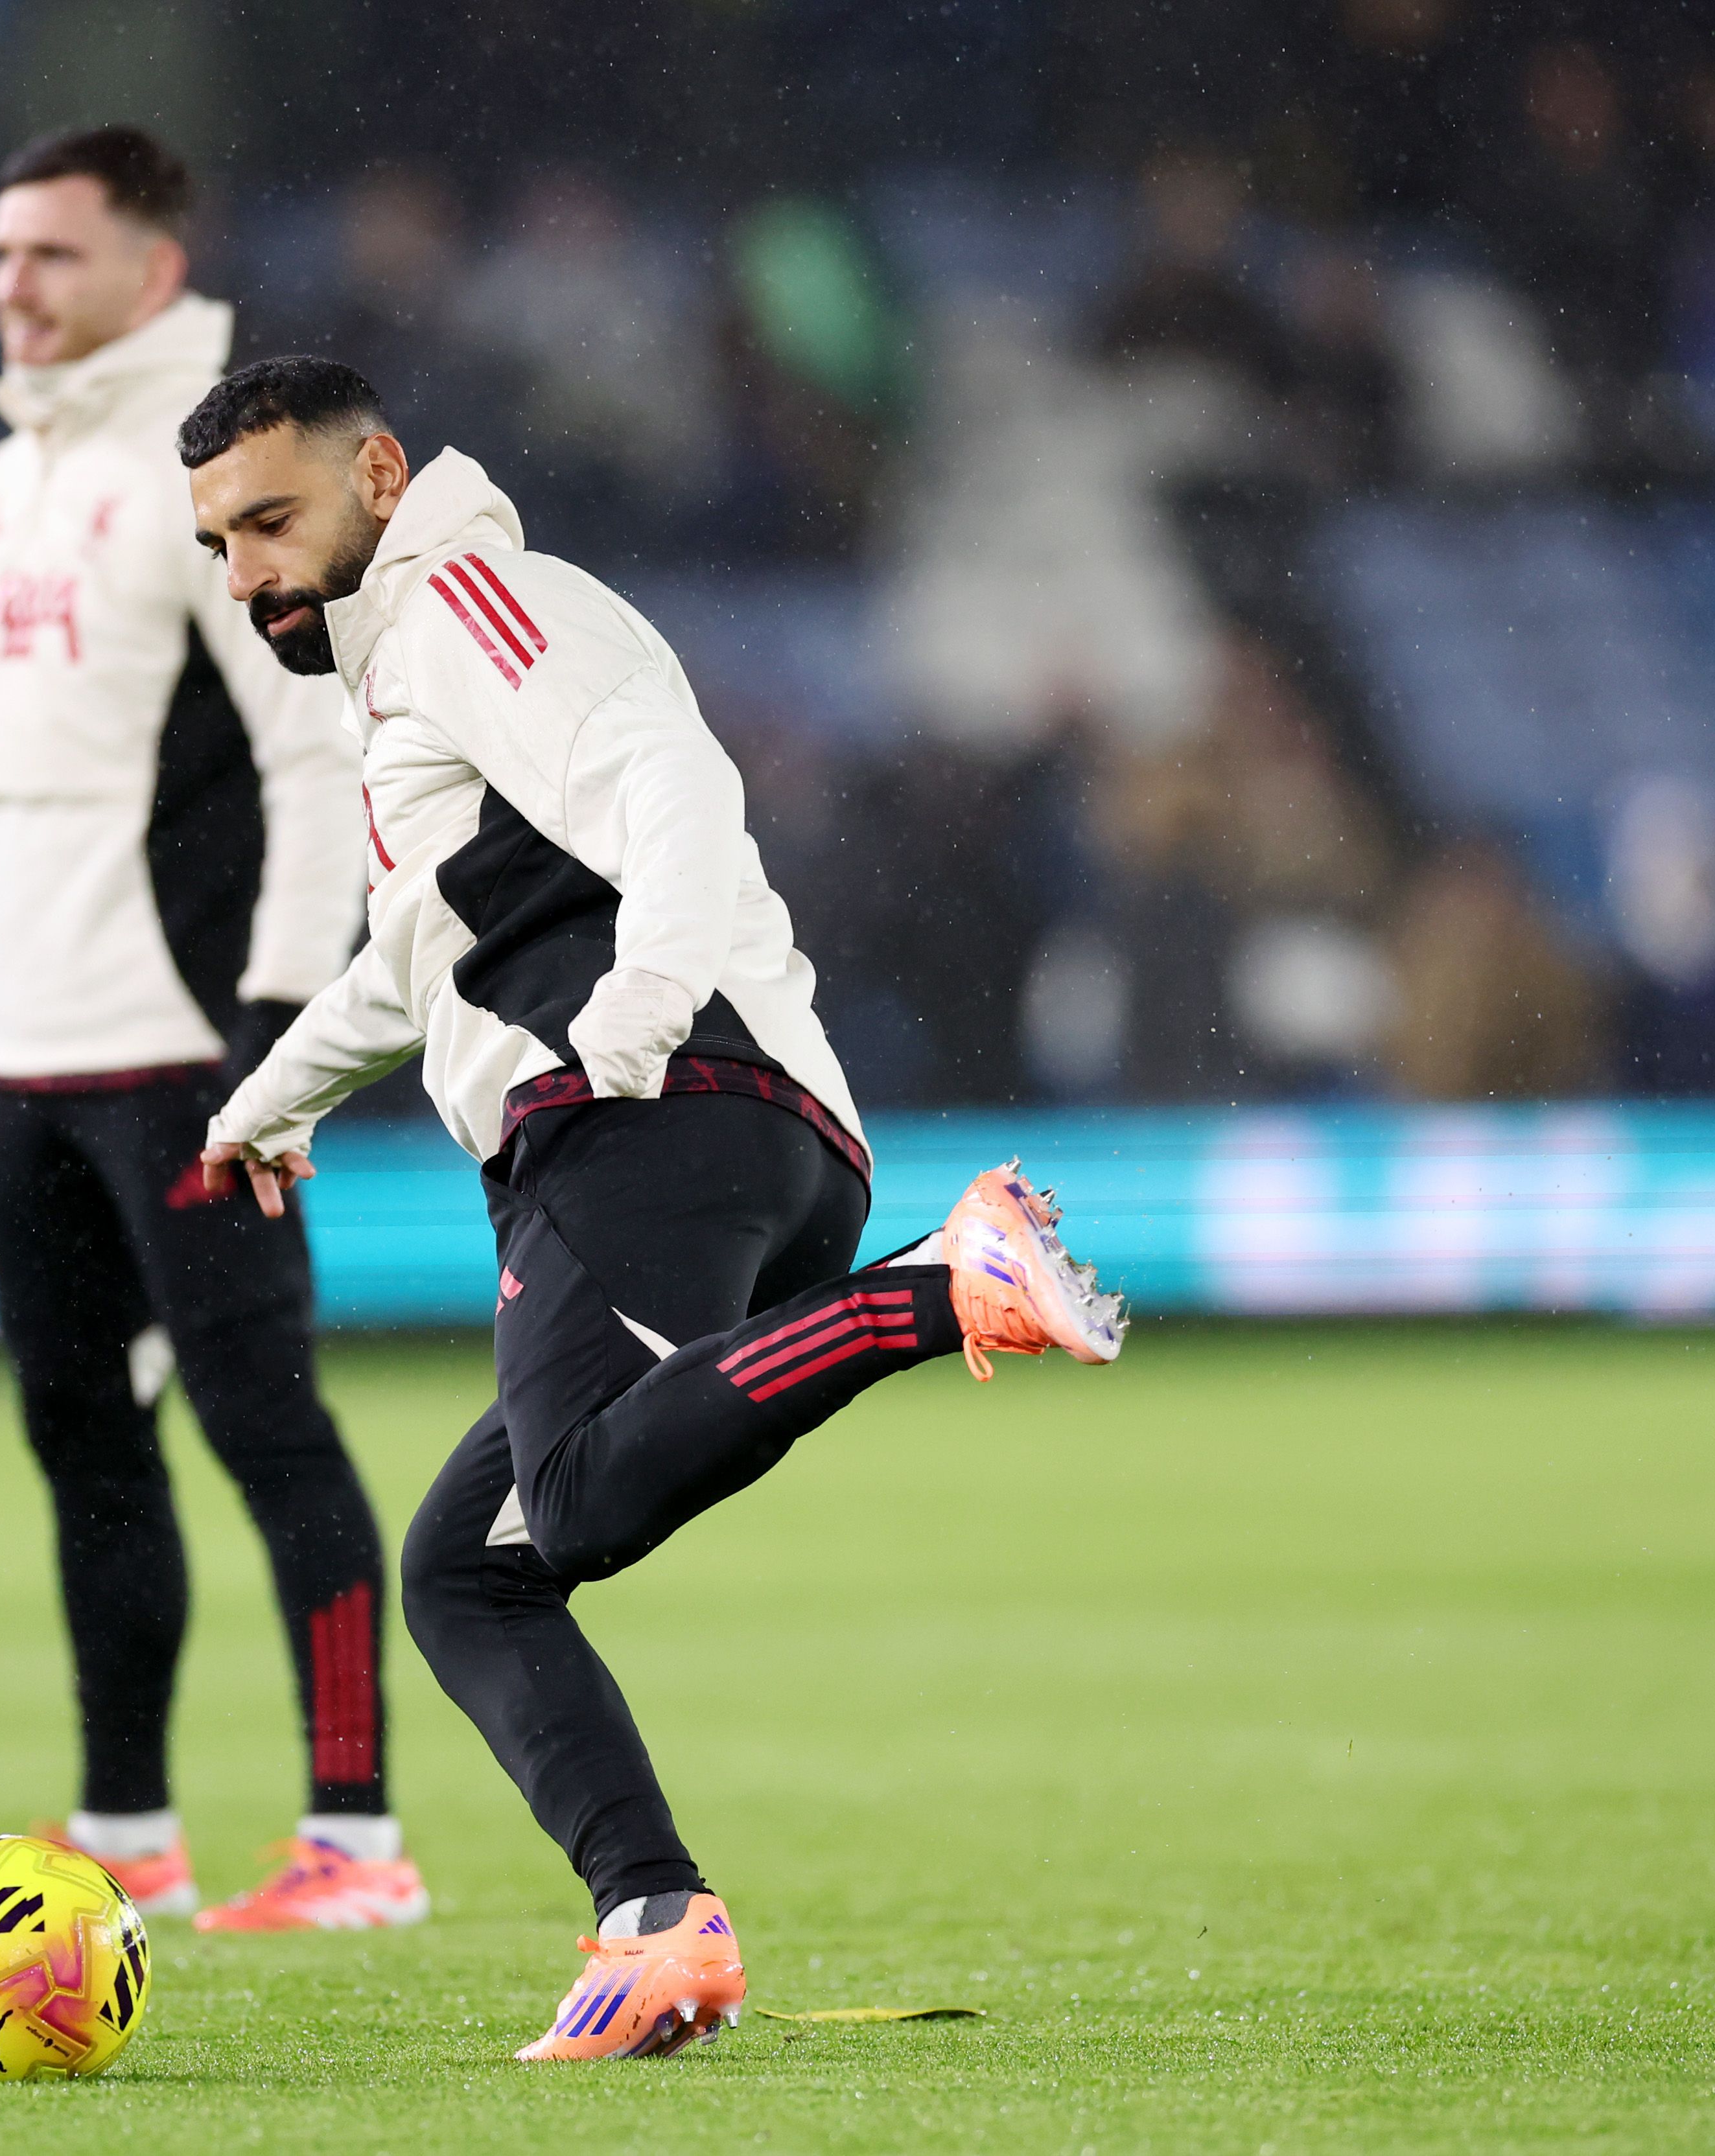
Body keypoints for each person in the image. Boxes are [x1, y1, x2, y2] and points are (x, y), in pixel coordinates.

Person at [179, 358, 1125, 2059]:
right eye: (220, 542)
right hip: (716, 1124)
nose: (247, 571)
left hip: (651, 1108)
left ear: (380, 477)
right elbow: (419, 972)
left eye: (272, 518)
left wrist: (633, 1012)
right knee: (470, 1568)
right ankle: (659, 1924)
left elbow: (674, 786)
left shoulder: (470, 603)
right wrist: (275, 1098)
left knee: (585, 1497)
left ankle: (945, 1279)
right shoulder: (401, 687)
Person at [0, 128, 414, 1932]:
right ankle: (126, 1837)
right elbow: (17, 790)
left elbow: (312, 748)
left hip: (185, 1050)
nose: (11, 285)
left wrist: (283, 1024)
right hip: (31, 1048)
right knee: (83, 1442)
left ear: (155, 273)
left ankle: (359, 1845)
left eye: (49, 253)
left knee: (269, 1432)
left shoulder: (222, 476)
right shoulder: (1, 488)